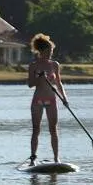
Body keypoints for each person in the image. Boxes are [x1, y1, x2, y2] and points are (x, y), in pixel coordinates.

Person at [26, 34, 68, 165]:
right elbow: (30, 84)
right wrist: (39, 78)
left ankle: (56, 158)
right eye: (49, 51)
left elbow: (59, 83)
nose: (50, 53)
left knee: (53, 129)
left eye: (51, 51)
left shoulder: (54, 65)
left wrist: (64, 98)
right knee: (36, 129)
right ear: (42, 51)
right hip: (38, 100)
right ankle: (33, 158)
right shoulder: (33, 65)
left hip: (51, 100)